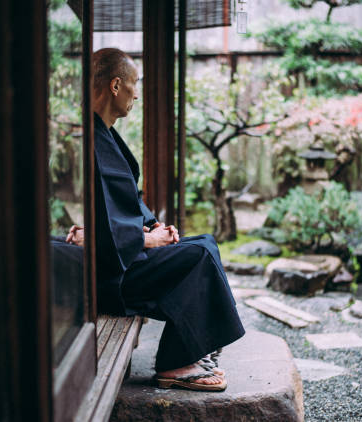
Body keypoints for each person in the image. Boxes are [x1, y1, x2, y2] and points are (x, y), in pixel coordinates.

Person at [61, 47, 245, 391]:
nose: (137, 94)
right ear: (116, 86)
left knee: (205, 242)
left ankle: (196, 347)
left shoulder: (104, 134)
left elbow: (122, 204)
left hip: (117, 252)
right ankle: (175, 363)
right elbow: (99, 216)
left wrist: (152, 225)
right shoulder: (90, 139)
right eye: (135, 84)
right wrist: (146, 239)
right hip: (111, 274)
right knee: (199, 256)